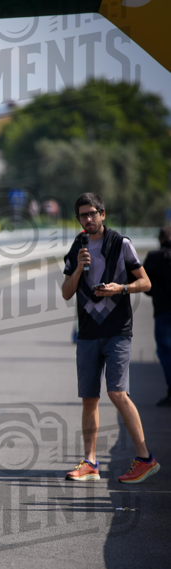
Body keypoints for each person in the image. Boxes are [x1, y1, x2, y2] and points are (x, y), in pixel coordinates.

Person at [61, 192, 159, 484]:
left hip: (117, 330)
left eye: (92, 213)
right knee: (89, 398)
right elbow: (67, 292)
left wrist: (120, 288)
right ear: (78, 219)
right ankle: (90, 463)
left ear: (102, 214)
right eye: (83, 215)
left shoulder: (121, 243)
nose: (88, 219)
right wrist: (78, 267)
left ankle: (145, 459)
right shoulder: (77, 246)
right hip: (88, 332)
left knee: (117, 393)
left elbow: (146, 282)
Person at [143, 227, 171, 406]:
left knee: (166, 352)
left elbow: (141, 283)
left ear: (160, 240)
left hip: (163, 311)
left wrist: (157, 292)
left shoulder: (154, 257)